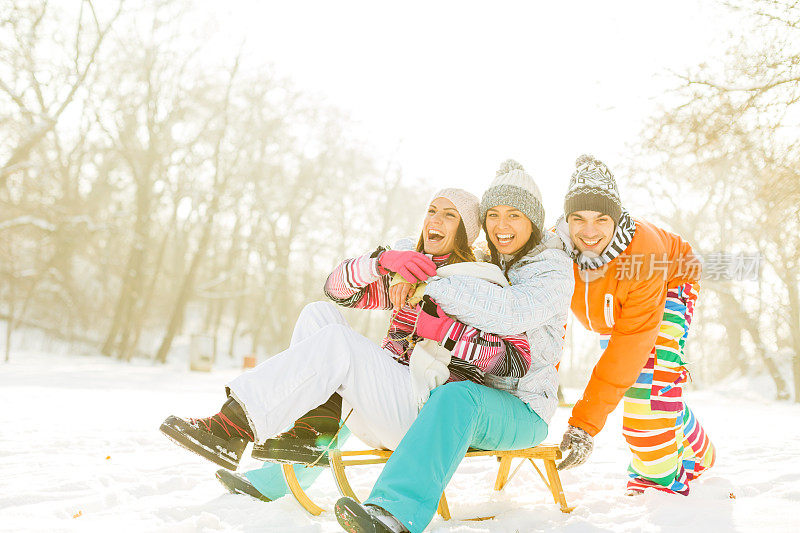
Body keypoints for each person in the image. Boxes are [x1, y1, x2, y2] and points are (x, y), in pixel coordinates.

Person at [160, 188, 536, 477]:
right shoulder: (408, 274)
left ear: (466, 231)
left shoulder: (480, 283)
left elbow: (513, 360)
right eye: (432, 211)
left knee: (339, 343)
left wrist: (442, 330)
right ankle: (310, 431)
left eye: (449, 215)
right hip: (381, 403)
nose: (434, 220)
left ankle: (231, 427)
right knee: (318, 315)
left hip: (423, 414)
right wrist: (383, 261)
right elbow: (336, 290)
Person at [334, 160, 574, 533]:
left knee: (457, 398)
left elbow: (510, 313)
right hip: (471, 392)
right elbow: (433, 259)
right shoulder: (485, 260)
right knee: (361, 370)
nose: (501, 225)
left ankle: (394, 513)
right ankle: (276, 474)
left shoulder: (551, 268)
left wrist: (424, 286)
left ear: (533, 221)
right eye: (492, 215)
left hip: (524, 407)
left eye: (514, 215)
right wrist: (398, 264)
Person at [554, 154, 715, 495]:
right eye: (578, 219)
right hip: (615, 310)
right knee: (650, 385)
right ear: (565, 220)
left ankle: (659, 484)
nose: (589, 230)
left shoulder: (644, 254)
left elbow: (629, 348)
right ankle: (700, 453)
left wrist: (584, 424)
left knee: (647, 402)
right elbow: (548, 322)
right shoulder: (555, 252)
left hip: (672, 279)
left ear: (617, 217)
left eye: (601, 218)